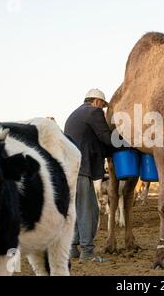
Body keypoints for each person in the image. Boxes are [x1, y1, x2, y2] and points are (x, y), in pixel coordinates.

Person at [64, 88, 114, 263]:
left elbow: (95, 141)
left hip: (70, 168)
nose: (103, 109)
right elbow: (107, 138)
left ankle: (72, 248)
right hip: (81, 167)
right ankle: (87, 251)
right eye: (102, 105)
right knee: (89, 209)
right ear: (96, 101)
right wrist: (128, 144)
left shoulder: (75, 114)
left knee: (77, 208)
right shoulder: (93, 112)